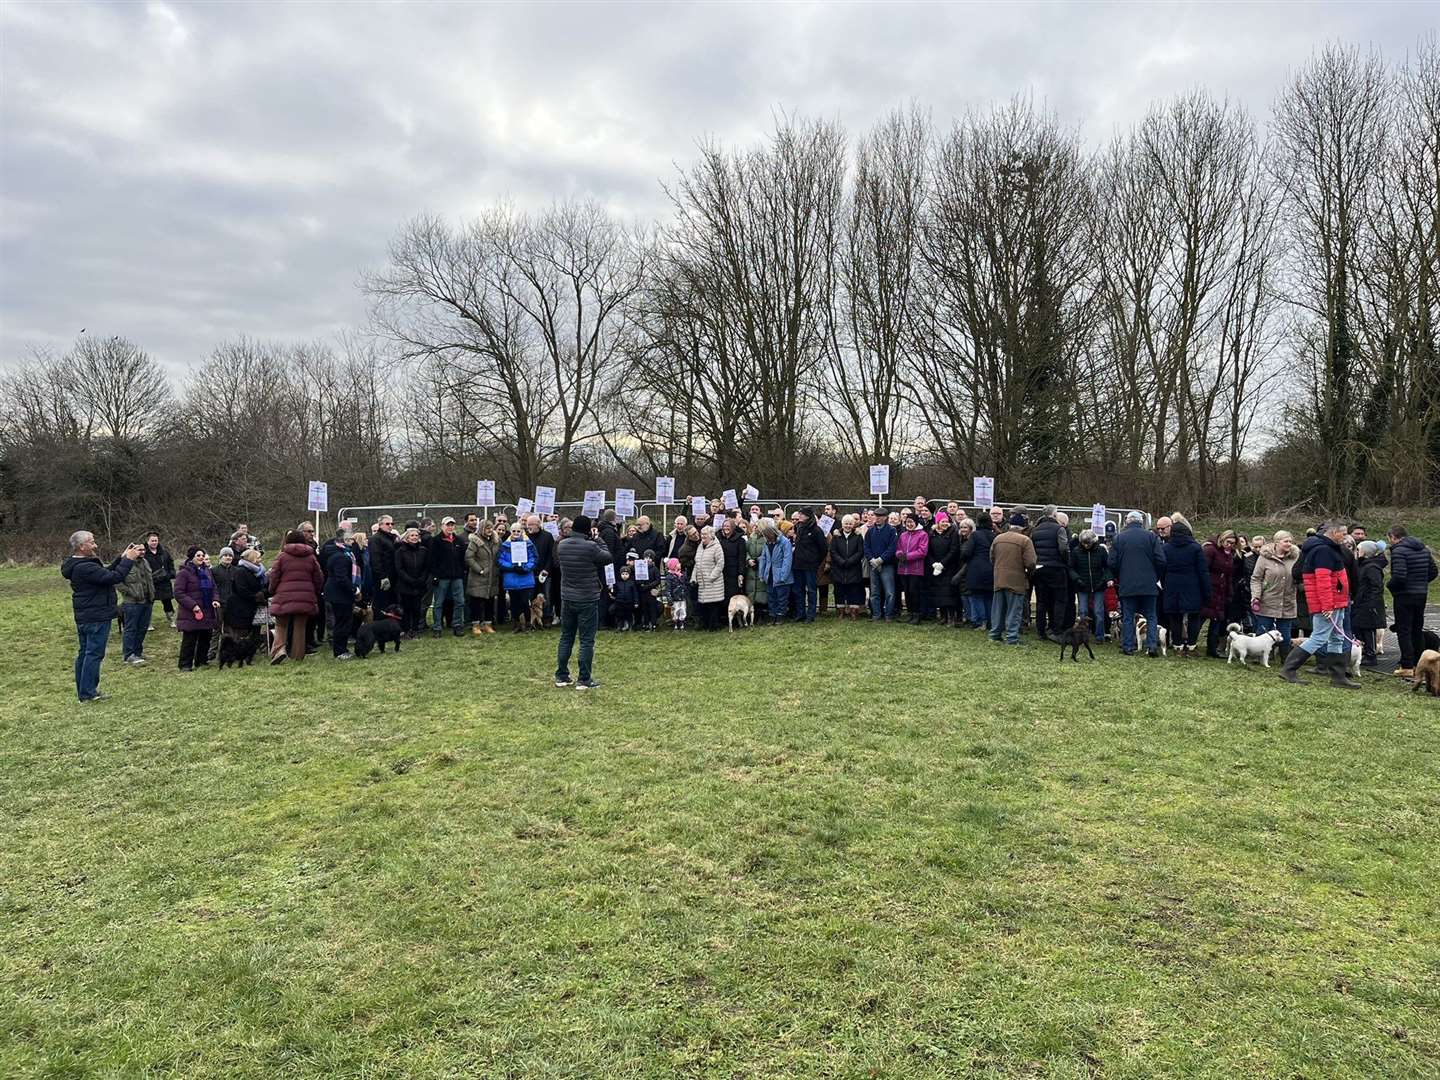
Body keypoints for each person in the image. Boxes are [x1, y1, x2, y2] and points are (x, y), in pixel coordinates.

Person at [62, 531, 140, 702]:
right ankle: (89, 693)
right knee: (93, 654)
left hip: (86, 615)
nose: (95, 545)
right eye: (92, 542)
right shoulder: (85, 567)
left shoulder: (78, 564)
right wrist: (129, 560)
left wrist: (121, 557)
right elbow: (114, 577)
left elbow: (103, 573)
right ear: (82, 547)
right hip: (96, 615)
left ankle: (84, 692)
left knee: (85, 653)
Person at [1280, 521, 1359, 688]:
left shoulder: (1327, 548)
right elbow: (1322, 581)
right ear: (1333, 533)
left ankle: (1338, 677)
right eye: (1342, 533)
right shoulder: (1323, 551)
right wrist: (1327, 606)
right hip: (1328, 604)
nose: (1345, 537)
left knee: (1337, 638)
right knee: (1319, 637)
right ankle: (1289, 669)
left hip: (1337, 602)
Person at [1109, 510, 1167, 657]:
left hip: (1127, 584)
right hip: (1149, 584)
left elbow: (1112, 562)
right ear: (1141, 522)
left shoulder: (1119, 538)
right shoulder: (1152, 537)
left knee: (1128, 616)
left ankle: (1128, 646)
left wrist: (1119, 576)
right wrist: (1155, 576)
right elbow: (1161, 560)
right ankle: (1152, 646)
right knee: (1151, 616)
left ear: (1127, 521)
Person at [1386, 524, 1438, 679]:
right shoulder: (1423, 549)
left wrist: (1390, 586)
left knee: (1404, 630)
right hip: (1421, 594)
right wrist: (1421, 583)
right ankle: (1419, 662)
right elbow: (1434, 571)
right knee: (1417, 628)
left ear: (1393, 537)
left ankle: (1407, 665)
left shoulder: (1399, 551)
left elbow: (1399, 576)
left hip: (1404, 595)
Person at [267, 531, 323, 663]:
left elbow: (274, 576)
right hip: (305, 595)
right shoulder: (311, 557)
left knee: (281, 625)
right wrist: (315, 590)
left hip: (284, 595)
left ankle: (278, 651)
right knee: (300, 627)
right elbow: (319, 577)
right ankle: (298, 656)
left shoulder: (282, 556)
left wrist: (272, 590)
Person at [1161, 514, 1209, 657]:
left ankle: (1177, 645)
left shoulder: (1166, 548)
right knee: (1194, 616)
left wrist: (1165, 584)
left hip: (1172, 585)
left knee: (1175, 617)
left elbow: (1162, 570)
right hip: (1192, 586)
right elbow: (1203, 570)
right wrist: (1206, 590)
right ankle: (1192, 646)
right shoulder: (1195, 548)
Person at [988, 513, 1035, 645]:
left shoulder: (998, 539)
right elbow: (1031, 562)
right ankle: (1012, 637)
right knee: (1014, 610)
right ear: (1023, 527)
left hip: (999, 578)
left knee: (998, 609)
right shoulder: (1025, 540)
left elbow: (992, 558)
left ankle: (995, 635)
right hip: (1016, 580)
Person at [1251, 531, 1299, 655]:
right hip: (1268, 600)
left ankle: (1285, 659)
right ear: (1277, 542)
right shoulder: (1264, 557)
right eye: (1286, 541)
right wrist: (1256, 596)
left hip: (1288, 601)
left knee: (1285, 634)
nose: (1289, 544)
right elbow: (1256, 578)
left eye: (1290, 541)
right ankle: (1260, 656)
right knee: (1263, 631)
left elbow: (1300, 576)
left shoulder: (1296, 557)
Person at [174, 547, 220, 672]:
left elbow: (214, 588)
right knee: (190, 639)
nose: (201, 557)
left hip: (207, 609)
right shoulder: (184, 573)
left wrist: (215, 599)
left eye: (202, 555)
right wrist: (193, 605)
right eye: (198, 555)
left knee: (206, 636)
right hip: (191, 611)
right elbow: (178, 593)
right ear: (191, 557)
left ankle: (201, 661)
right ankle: (185, 664)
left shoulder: (207, 571)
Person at [1030, 505, 1070, 642]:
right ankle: (1056, 630)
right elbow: (1063, 548)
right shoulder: (1059, 529)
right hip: (1056, 568)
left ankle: (1040, 631)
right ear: (1054, 515)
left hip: (1039, 568)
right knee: (1059, 600)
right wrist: (1065, 562)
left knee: (1041, 601)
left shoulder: (1035, 531)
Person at [116, 540, 155, 665]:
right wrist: (129, 592)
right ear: (132, 551)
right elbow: (117, 581)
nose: (142, 552)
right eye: (139, 550)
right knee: (130, 629)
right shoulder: (125, 564)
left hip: (147, 601)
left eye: (143, 550)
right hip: (132, 603)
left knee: (142, 628)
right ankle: (129, 655)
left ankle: (138, 652)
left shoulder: (145, 562)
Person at [1201, 531, 1239, 658]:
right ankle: (1190, 645)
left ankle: (1212, 649)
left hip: (1221, 592)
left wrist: (1229, 592)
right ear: (1222, 540)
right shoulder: (1210, 550)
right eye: (1228, 542)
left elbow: (1229, 575)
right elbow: (1203, 570)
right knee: (1200, 619)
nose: (1230, 545)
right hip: (1209, 589)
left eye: (1233, 544)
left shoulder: (1229, 555)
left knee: (1216, 621)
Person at [428, 516, 467, 637]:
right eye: (447, 525)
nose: (450, 527)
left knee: (460, 601)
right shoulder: (435, 541)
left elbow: (462, 559)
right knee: (439, 603)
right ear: (442, 526)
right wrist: (435, 575)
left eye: (452, 525)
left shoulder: (459, 541)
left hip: (457, 577)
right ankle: (437, 627)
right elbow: (432, 560)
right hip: (441, 577)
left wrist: (462, 572)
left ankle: (457, 625)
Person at [1070, 529, 1111, 642]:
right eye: (1084, 543)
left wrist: (1104, 580)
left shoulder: (1101, 551)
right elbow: (1071, 568)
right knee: (1083, 611)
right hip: (1082, 585)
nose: (1086, 545)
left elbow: (1107, 567)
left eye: (1088, 543)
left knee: (1098, 611)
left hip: (1099, 585)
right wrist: (1077, 579)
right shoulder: (1076, 551)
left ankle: (1099, 636)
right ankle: (1083, 635)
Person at [1352, 540, 1387, 669]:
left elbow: (1376, 586)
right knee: (1359, 626)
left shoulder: (1372, 567)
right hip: (1361, 601)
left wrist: (1371, 602)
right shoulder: (1362, 565)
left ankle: (1371, 654)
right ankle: (1365, 652)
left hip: (1369, 603)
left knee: (1368, 628)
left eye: (1358, 549)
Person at [225, 547, 267, 654]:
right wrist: (256, 596)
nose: (260, 560)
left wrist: (262, 593)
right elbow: (241, 590)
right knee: (240, 632)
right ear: (251, 559)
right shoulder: (241, 571)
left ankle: (249, 651)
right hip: (240, 608)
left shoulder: (258, 572)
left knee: (252, 631)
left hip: (252, 606)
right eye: (258, 558)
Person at [323, 533, 359, 659]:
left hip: (340, 593)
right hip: (339, 594)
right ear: (344, 541)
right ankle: (339, 651)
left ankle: (342, 648)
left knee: (344, 621)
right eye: (350, 540)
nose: (353, 542)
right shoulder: (340, 557)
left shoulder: (342, 554)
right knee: (342, 622)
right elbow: (341, 578)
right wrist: (354, 589)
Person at [498, 522, 538, 633]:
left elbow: (534, 559)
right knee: (514, 603)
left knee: (525, 602)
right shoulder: (505, 546)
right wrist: (512, 566)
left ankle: (528, 624)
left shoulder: (529, 545)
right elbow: (500, 560)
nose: (516, 533)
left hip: (525, 578)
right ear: (511, 532)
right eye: (514, 531)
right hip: (511, 578)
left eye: (518, 531)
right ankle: (516, 624)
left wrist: (525, 568)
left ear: (522, 531)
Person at [789, 507, 827, 624]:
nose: (799, 516)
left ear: (808, 516)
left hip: (810, 566)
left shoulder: (816, 530)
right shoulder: (799, 528)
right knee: (798, 590)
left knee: (811, 590)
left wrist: (815, 561)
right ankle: (801, 613)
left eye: (802, 514)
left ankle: (811, 614)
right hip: (798, 565)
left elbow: (823, 548)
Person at [465, 519, 500, 635]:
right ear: (482, 529)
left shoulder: (496, 541)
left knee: (490, 601)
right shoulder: (475, 541)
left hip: (492, 576)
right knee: (476, 602)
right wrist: (479, 570)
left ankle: (487, 624)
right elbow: (469, 558)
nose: (490, 530)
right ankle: (475, 625)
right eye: (487, 528)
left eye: (491, 528)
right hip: (478, 577)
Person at [828, 515, 866, 620]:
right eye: (846, 523)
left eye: (850, 524)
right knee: (839, 590)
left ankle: (853, 611)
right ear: (842, 524)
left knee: (854, 589)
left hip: (854, 568)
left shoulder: (858, 536)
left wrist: (850, 561)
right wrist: (841, 561)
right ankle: (840, 611)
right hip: (839, 568)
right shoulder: (836, 536)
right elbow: (833, 551)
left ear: (853, 525)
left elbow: (860, 551)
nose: (848, 526)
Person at [864, 509, 899, 621]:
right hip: (873, 565)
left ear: (885, 517)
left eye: (880, 516)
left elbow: (892, 548)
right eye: (876, 516)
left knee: (889, 591)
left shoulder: (891, 531)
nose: (877, 518)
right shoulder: (870, 531)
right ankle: (876, 614)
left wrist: (881, 559)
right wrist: (872, 560)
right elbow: (866, 547)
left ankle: (888, 614)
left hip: (887, 565)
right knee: (874, 592)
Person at [896, 512, 930, 625]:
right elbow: (898, 548)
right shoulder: (903, 535)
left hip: (915, 569)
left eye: (911, 522)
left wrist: (907, 556)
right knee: (907, 592)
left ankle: (917, 614)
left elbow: (922, 551)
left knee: (914, 592)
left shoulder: (922, 534)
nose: (909, 524)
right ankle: (910, 613)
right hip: (903, 569)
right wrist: (899, 554)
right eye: (907, 522)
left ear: (916, 523)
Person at [928, 512, 961, 626]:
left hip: (949, 567)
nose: (945, 524)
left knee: (949, 594)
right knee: (938, 593)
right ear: (937, 522)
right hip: (936, 568)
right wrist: (934, 564)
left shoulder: (953, 533)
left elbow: (954, 550)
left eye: (946, 521)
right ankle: (943, 616)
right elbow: (929, 552)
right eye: (943, 521)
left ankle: (952, 617)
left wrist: (942, 564)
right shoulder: (932, 534)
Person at [963, 512, 995, 629]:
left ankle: (982, 621)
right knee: (989, 597)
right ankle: (990, 621)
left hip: (976, 569)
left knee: (977, 596)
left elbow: (966, 552)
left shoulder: (975, 535)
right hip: (991, 569)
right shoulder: (994, 535)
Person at [758, 518, 793, 624]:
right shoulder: (767, 544)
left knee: (782, 598)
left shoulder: (785, 542)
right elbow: (763, 558)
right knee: (771, 596)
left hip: (781, 575)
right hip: (770, 574)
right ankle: (772, 615)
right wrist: (762, 573)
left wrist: (783, 576)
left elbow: (787, 560)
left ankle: (781, 616)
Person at [692, 525, 726, 630]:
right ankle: (706, 625)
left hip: (713, 582)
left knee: (713, 605)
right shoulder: (700, 546)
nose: (702, 536)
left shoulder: (717, 547)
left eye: (705, 534)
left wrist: (711, 577)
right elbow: (697, 563)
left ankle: (714, 626)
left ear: (711, 536)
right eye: (702, 534)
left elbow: (720, 564)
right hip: (702, 582)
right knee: (704, 605)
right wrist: (694, 577)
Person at [141, 531, 177, 627]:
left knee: (167, 602)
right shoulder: (142, 553)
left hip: (164, 582)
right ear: (147, 541)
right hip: (150, 583)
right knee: (149, 603)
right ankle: (148, 623)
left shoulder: (164, 553)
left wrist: (171, 574)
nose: (154, 542)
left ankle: (171, 620)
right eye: (152, 541)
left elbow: (171, 564)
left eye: (156, 540)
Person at [371, 515, 399, 613]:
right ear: (380, 525)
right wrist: (382, 576)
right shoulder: (376, 539)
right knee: (382, 602)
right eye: (387, 524)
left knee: (391, 602)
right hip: (383, 577)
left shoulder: (390, 538)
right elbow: (375, 559)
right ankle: (379, 623)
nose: (390, 526)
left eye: (392, 523)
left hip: (393, 575)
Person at [744, 520, 769, 622]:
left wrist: (760, 560)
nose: (755, 527)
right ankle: (753, 615)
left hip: (761, 567)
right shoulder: (751, 538)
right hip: (751, 568)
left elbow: (767, 552)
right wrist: (748, 559)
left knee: (761, 592)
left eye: (757, 526)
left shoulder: (766, 539)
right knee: (751, 591)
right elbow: (745, 550)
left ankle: (761, 615)